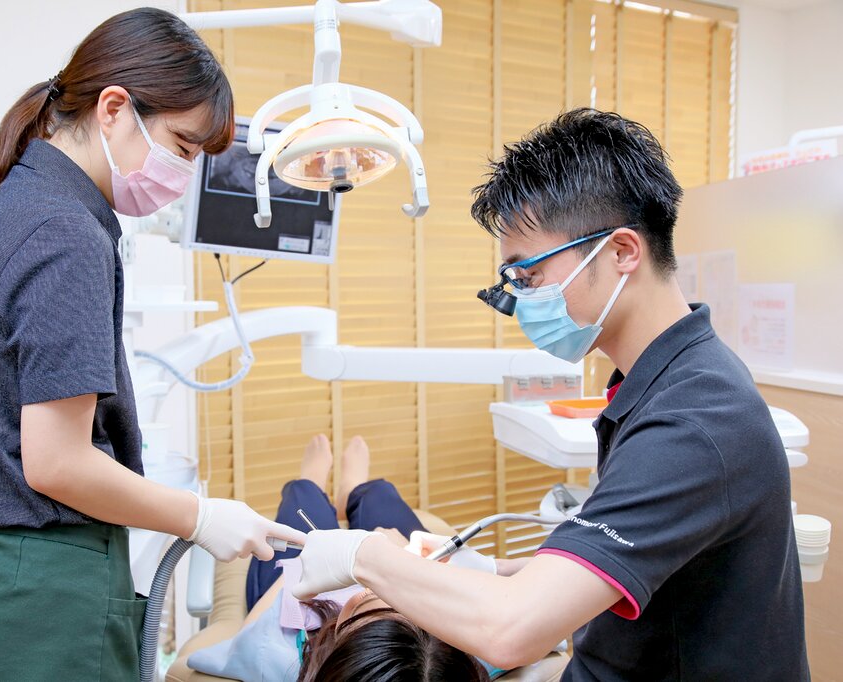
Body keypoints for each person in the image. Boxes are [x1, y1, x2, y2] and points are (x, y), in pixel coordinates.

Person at [291, 109, 809, 680]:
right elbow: (613, 570)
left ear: (621, 252)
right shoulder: (664, 382)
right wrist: (485, 568)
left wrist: (360, 557)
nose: (519, 301)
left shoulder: (696, 420)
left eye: (528, 276)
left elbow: (511, 632)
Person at [0, 9, 304, 680]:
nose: (184, 175)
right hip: (43, 609)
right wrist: (202, 515)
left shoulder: (34, 201)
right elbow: (57, 464)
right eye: (183, 148)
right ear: (115, 108)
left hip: (3, 593)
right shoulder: (66, 232)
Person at [187, 434, 495, 681]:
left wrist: (306, 565)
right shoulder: (477, 654)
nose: (370, 586)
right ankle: (354, 491)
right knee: (381, 498)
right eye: (408, 605)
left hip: (294, 590)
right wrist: (410, 564)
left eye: (365, 600)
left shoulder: (274, 658)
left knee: (301, 502)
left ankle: (310, 482)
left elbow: (229, 647)